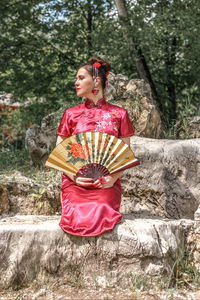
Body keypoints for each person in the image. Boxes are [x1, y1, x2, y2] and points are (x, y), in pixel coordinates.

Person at [56, 56, 135, 236]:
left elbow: (125, 154)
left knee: (101, 210)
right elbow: (59, 153)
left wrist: (113, 178)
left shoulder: (119, 114)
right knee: (75, 213)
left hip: (105, 184)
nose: (76, 82)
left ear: (96, 80)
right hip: (74, 183)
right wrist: (74, 177)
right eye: (76, 78)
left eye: (81, 78)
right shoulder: (70, 114)